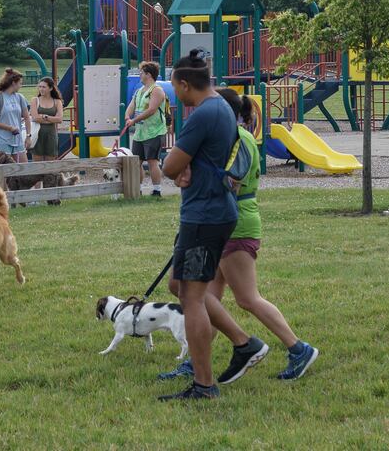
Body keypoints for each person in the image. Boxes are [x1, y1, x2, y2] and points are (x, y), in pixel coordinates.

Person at [160, 89, 318, 384]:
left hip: (234, 224)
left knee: (247, 298)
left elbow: (229, 182)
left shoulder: (238, 138)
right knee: (207, 298)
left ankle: (298, 349)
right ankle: (198, 363)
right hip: (225, 222)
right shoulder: (235, 136)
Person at [157, 50, 254, 402]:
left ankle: (203, 384)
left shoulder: (202, 114)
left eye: (175, 87)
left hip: (204, 214)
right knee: (181, 285)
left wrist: (177, 165)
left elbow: (169, 167)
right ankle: (244, 343)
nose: (175, 94)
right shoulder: (223, 109)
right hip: (213, 209)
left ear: (185, 84)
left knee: (191, 297)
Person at [122, 61, 169, 197]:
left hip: (154, 131)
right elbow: (132, 105)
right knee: (137, 161)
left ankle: (157, 190)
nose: (139, 75)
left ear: (148, 74)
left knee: (152, 161)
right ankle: (139, 189)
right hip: (140, 133)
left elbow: (152, 110)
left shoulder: (157, 90)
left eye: (141, 72)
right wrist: (127, 117)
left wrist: (134, 120)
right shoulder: (139, 91)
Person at [0, 69, 30, 164]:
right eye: (20, 83)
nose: (21, 86)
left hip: (17, 140)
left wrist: (28, 136)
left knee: (24, 169)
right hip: (2, 140)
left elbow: (27, 117)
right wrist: (10, 128)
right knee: (3, 171)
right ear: (13, 83)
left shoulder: (20, 97)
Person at [29, 76, 64, 162]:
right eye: (40, 87)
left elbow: (59, 119)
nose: (41, 89)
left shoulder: (57, 101)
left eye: (44, 87)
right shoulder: (35, 100)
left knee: (51, 164)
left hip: (51, 136)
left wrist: (45, 116)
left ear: (51, 88)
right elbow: (35, 118)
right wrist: (51, 120)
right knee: (37, 165)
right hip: (37, 135)